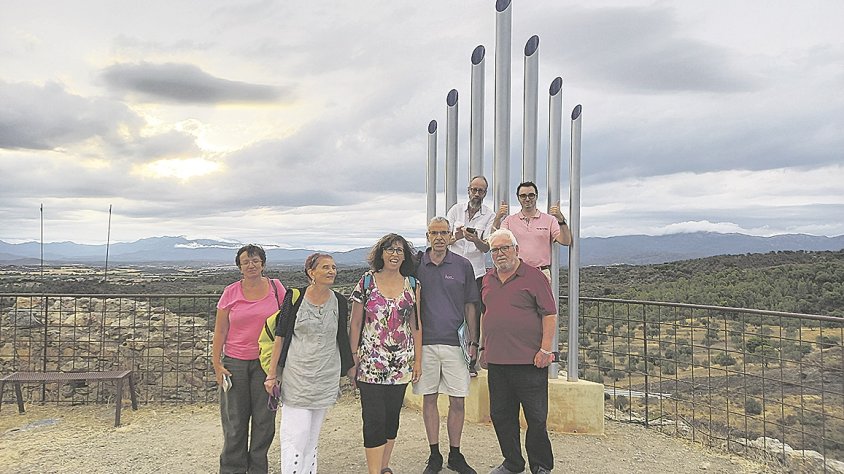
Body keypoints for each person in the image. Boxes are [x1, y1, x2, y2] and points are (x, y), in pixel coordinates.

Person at [263, 253, 355, 473]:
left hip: (325, 377)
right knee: (296, 436)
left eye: (333, 267)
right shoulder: (294, 297)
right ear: (311, 272)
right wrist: (272, 374)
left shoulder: (340, 302)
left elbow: (342, 338)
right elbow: (280, 336)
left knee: (312, 437)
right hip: (297, 377)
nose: (331, 271)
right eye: (325, 267)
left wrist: (351, 369)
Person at [481, 229, 557, 474]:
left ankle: (541, 465)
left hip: (529, 361)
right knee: (501, 415)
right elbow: (486, 314)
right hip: (497, 361)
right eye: (495, 250)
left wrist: (545, 349)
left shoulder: (534, 277)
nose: (500, 253)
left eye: (505, 248)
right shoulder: (488, 279)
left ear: (516, 249)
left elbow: (549, 314)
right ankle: (512, 462)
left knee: (536, 417)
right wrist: (483, 347)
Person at [349, 233, 423, 474]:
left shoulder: (413, 284)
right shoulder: (366, 282)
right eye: (390, 249)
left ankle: (383, 467)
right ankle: (374, 471)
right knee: (373, 418)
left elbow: (416, 325)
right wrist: (353, 356)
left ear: (405, 256)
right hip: (370, 363)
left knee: (392, 418)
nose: (394, 254)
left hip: (401, 363)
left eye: (399, 250)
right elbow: (355, 323)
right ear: (381, 253)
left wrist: (418, 361)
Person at [414, 217, 480, 474]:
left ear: (451, 235)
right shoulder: (417, 265)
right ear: (427, 236)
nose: (439, 237)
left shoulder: (463, 265)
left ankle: (455, 454)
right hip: (425, 343)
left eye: (444, 232)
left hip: (456, 344)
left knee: (458, 401)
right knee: (429, 399)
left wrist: (473, 342)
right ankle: (434, 455)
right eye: (434, 233)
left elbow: (471, 305)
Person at [213, 244, 286, 474]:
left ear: (263, 264)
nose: (251, 265)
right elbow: (220, 330)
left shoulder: (276, 288)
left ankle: (257, 468)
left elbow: (285, 325)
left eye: (255, 260)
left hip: (267, 364)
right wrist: (217, 364)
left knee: (264, 421)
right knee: (234, 421)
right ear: (240, 267)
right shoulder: (230, 292)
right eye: (246, 262)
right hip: (234, 362)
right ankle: (232, 469)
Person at [446, 175, 494, 376]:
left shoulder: (489, 215)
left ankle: (471, 359)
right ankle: (452, 357)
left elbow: (487, 247)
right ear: (468, 190)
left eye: (480, 191)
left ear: (485, 193)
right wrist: (457, 236)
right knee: (451, 312)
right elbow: (444, 240)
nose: (476, 194)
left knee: (473, 315)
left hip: (476, 272)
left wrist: (475, 240)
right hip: (452, 270)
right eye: (474, 190)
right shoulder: (455, 210)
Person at [492, 181, 571, 279]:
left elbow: (566, 241)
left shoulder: (549, 220)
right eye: (523, 196)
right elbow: (495, 240)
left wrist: (561, 220)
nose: (527, 199)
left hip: (541, 272)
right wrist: (497, 218)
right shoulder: (509, 220)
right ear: (518, 198)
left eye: (531, 195)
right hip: (516, 273)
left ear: (536, 196)